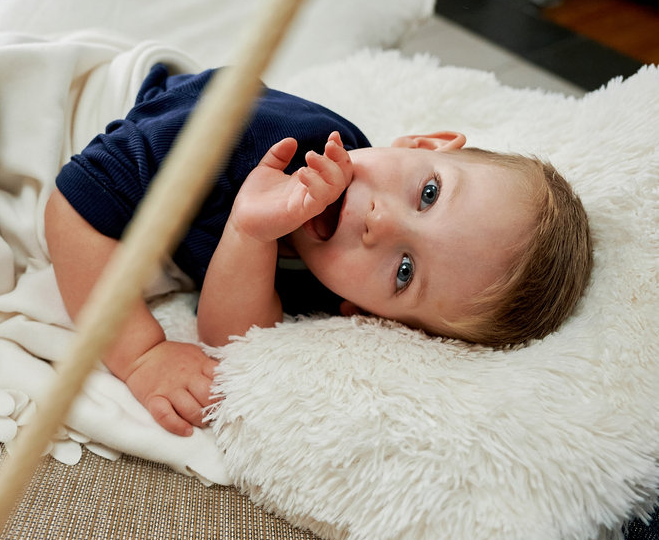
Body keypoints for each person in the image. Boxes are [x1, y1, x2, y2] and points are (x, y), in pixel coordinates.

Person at [44, 64, 592, 437]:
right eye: (428, 194)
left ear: (370, 316)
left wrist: (249, 233)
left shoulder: (333, 280)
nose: (381, 223)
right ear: (423, 144)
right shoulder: (264, 137)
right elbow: (75, 202)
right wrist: (141, 354)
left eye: (404, 271)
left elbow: (231, 337)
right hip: (88, 110)